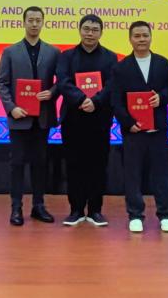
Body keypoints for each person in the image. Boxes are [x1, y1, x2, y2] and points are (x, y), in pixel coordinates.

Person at [0, 6, 59, 226]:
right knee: (17, 163)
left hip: (42, 117)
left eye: (38, 20)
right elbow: (2, 83)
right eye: (30, 20)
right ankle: (16, 207)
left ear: (43, 23)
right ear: (23, 22)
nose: (34, 24)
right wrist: (11, 107)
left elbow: (62, 82)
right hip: (19, 118)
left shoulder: (53, 52)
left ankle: (38, 206)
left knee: (40, 163)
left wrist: (52, 92)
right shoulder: (10, 52)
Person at [110, 21, 168, 233]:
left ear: (151, 37)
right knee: (133, 174)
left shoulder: (163, 64)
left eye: (145, 35)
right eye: (137, 36)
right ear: (130, 39)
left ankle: (165, 214)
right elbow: (115, 100)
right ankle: (135, 214)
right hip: (133, 132)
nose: (141, 39)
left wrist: (162, 98)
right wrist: (128, 123)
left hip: (158, 131)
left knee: (162, 174)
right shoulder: (121, 68)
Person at [56, 14, 118, 227]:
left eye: (94, 30)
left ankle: (95, 210)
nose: (90, 33)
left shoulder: (110, 57)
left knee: (98, 165)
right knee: (74, 165)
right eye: (86, 29)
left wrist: (95, 101)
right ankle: (75, 209)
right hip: (73, 119)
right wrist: (82, 99)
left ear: (101, 33)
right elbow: (63, 82)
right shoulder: (67, 56)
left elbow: (112, 85)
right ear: (80, 30)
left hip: (99, 119)